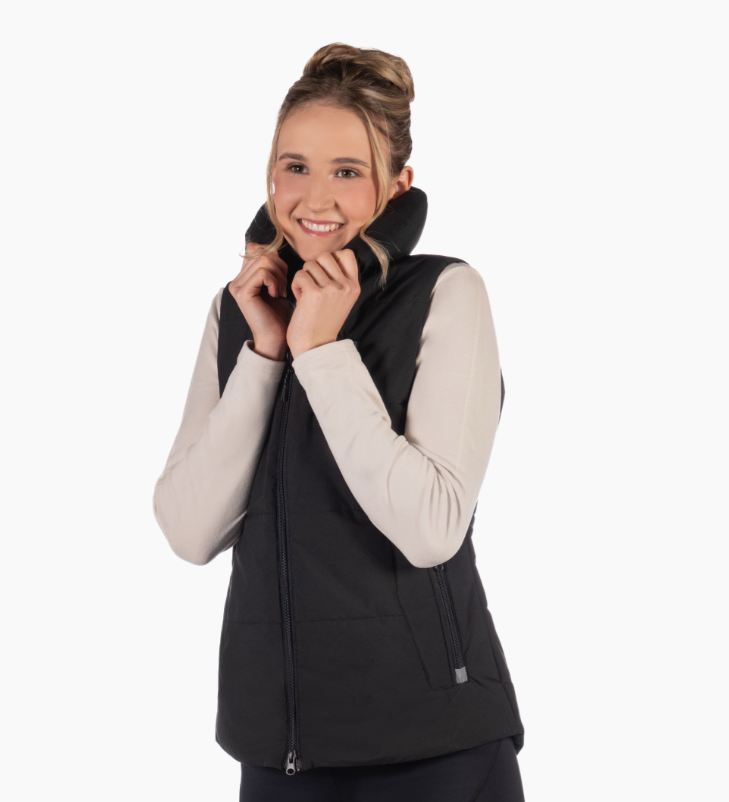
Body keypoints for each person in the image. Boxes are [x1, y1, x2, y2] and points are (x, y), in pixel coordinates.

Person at [153, 42, 526, 802]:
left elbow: (431, 527)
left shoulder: (445, 293)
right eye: (295, 166)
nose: (314, 198)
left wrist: (322, 352)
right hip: (279, 749)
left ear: (397, 187)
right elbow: (190, 531)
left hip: (435, 748)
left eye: (348, 172)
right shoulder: (241, 311)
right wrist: (266, 352)